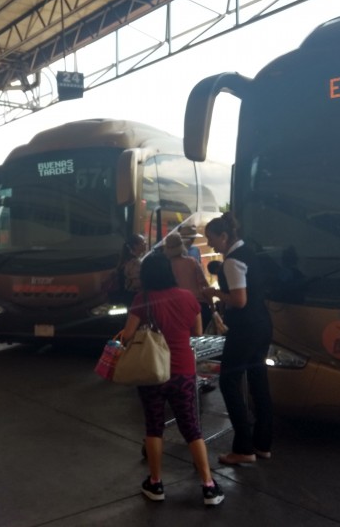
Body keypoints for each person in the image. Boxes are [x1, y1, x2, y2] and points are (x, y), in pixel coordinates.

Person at [119, 252, 224, 507]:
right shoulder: (188, 298)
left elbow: (128, 335)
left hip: (152, 371)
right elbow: (197, 332)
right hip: (183, 371)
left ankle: (155, 483)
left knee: (154, 426)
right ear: (169, 272)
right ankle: (208, 486)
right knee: (191, 427)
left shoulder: (141, 299)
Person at [205, 212, 273, 465]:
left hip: (244, 329)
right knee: (258, 382)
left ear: (224, 236)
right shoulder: (249, 252)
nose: (211, 245)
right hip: (262, 325)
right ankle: (262, 444)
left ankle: (244, 447)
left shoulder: (233, 261)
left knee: (229, 383)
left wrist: (215, 292)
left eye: (212, 239)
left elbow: (239, 301)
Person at [163, 232, 213, 330]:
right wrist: (212, 307)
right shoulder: (192, 262)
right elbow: (204, 285)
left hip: (176, 308)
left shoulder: (166, 266)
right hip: (198, 304)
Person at [112, 234, 146, 306]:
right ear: (135, 246)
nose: (145, 244)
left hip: (125, 298)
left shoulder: (126, 260)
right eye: (143, 242)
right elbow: (137, 284)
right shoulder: (134, 263)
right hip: (132, 299)